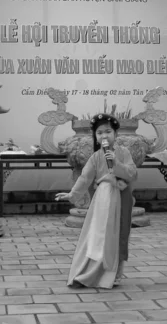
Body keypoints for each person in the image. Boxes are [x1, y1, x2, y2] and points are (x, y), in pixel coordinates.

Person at [55, 113, 138, 289]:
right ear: (95, 136)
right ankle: (95, 271)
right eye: (99, 133)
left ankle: (116, 273)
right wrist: (72, 194)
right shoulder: (95, 157)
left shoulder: (123, 153)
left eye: (108, 131)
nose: (104, 136)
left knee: (120, 235)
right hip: (103, 200)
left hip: (122, 198)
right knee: (100, 236)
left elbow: (132, 173)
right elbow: (85, 178)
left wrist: (115, 163)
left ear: (116, 134)